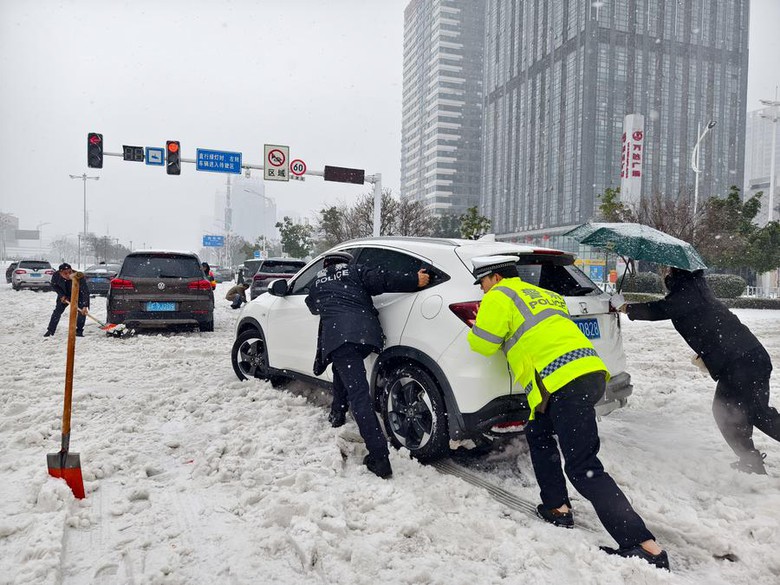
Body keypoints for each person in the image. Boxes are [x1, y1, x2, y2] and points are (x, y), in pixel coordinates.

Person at [467, 255, 668, 570]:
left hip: (562, 382)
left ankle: (644, 546)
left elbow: (482, 344)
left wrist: (478, 321)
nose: (481, 289)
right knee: (538, 431)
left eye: (481, 283)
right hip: (587, 373)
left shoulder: (499, 296)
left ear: (493, 278)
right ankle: (556, 507)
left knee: (583, 466)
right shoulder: (546, 294)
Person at [615, 266, 780, 475]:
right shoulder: (694, 288)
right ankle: (749, 460)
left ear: (677, 272)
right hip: (748, 358)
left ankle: (750, 460)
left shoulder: (687, 292)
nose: (664, 273)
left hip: (741, 362)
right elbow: (707, 325)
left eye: (667, 270)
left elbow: (660, 310)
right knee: (748, 412)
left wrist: (626, 308)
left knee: (733, 411)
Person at [305, 251, 430, 479]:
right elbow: (383, 279)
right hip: (365, 334)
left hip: (339, 338)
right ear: (346, 262)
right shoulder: (355, 271)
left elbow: (312, 306)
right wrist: (414, 279)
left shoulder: (317, 282)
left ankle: (379, 457)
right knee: (343, 369)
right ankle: (337, 413)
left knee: (359, 394)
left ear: (326, 264)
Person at [45, 263, 90, 338]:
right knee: (57, 312)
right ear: (60, 273)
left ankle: (79, 331)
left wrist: (85, 305)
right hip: (64, 295)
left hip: (79, 295)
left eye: (70, 272)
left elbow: (85, 291)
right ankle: (50, 330)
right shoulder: (56, 275)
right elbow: (54, 285)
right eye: (65, 273)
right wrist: (61, 295)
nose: (68, 275)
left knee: (82, 312)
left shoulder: (78, 276)